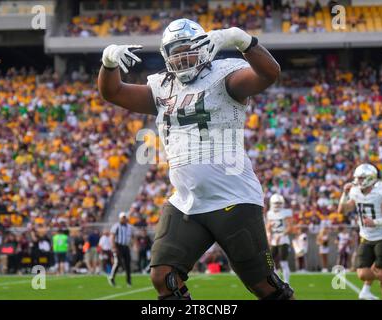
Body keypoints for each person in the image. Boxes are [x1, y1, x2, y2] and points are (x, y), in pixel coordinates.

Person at [98, 18, 293, 300]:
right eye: (175, 52)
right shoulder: (162, 87)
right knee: (163, 276)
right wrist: (108, 63)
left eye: (187, 49)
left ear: (204, 48)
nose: (182, 57)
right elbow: (112, 91)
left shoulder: (225, 75)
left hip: (232, 197)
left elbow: (268, 74)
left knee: (264, 286)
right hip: (187, 201)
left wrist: (241, 40)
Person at [337, 163, 382, 300]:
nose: (358, 181)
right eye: (358, 178)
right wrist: (344, 194)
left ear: (370, 178)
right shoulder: (355, 191)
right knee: (362, 274)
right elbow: (341, 210)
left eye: (361, 178)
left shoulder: (381, 190)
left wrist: (375, 222)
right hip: (366, 237)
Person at [266, 194, 293, 283]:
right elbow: (268, 227)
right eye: (275, 203)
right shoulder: (270, 213)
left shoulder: (286, 212)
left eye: (279, 203)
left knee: (283, 261)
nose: (277, 205)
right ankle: (277, 281)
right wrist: (269, 234)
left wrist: (281, 235)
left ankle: (286, 282)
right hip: (274, 239)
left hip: (283, 239)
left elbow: (290, 228)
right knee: (272, 262)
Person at [108, 212, 133, 287]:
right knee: (118, 262)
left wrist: (131, 245)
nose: (124, 219)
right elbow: (112, 237)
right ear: (120, 218)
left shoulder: (129, 227)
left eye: (125, 217)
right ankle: (111, 278)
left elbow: (131, 236)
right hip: (118, 246)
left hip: (126, 246)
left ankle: (128, 281)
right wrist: (114, 247)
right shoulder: (116, 226)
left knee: (128, 264)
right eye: (123, 217)